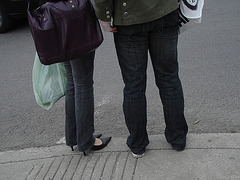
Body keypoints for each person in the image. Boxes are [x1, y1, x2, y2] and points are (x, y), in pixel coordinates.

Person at [94, 0, 188, 158]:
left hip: (129, 18)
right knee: (169, 78)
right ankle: (178, 138)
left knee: (134, 84)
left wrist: (105, 17)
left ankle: (138, 144)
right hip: (165, 11)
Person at [31, 0, 111, 155]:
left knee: (73, 83)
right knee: (83, 83)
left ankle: (74, 136)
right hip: (74, 19)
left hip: (55, 20)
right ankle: (86, 140)